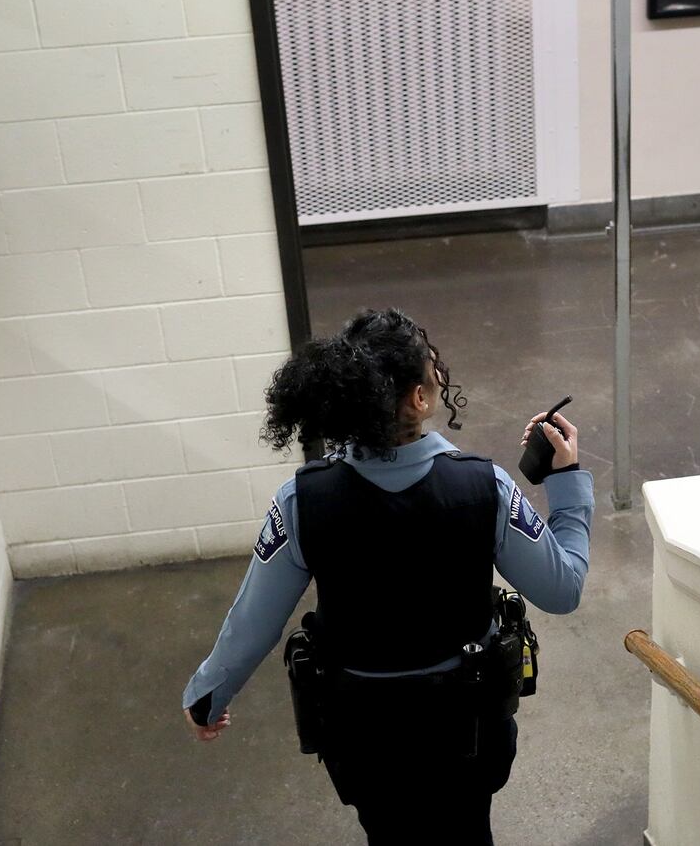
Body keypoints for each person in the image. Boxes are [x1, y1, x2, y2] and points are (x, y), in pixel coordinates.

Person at [180, 307, 594, 845]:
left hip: (362, 742)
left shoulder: (302, 500)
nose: (438, 370)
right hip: (467, 735)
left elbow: (252, 622)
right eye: (432, 365)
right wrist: (566, 484)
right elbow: (563, 590)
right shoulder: (485, 488)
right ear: (419, 399)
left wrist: (207, 697)